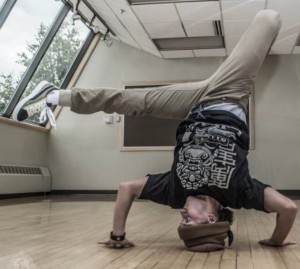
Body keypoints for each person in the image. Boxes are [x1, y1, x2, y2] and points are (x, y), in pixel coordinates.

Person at [12, 10, 297, 252]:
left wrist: (118, 235)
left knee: (131, 102)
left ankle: (55, 97)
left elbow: (126, 189)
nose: (182, 214)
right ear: (212, 219)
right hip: (227, 94)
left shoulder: (174, 193)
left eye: (181, 221)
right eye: (188, 221)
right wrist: (275, 241)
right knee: (269, 18)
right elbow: (289, 209)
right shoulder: (240, 192)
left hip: (190, 108)